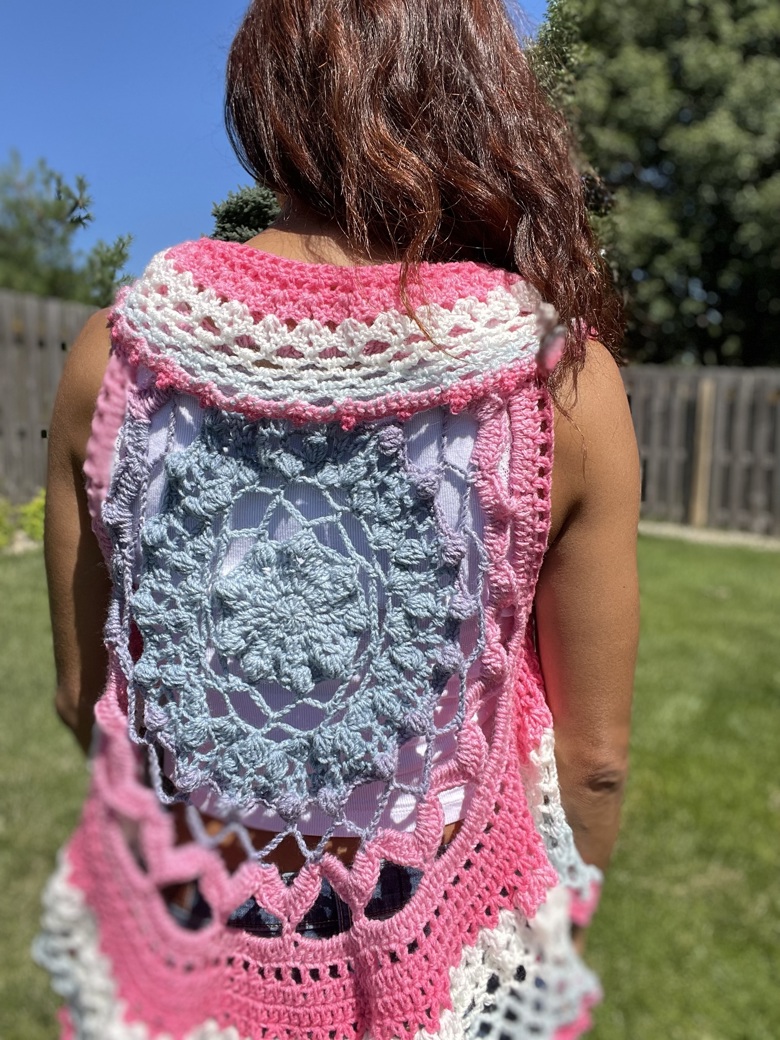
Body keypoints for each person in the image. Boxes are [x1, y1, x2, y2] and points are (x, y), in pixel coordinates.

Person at [35, 1, 639, 1038]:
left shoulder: (118, 353)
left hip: (186, 949)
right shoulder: (561, 385)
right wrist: (532, 971)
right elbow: (594, 760)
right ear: (470, 94)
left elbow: (88, 694)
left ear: (264, 104)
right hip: (440, 958)